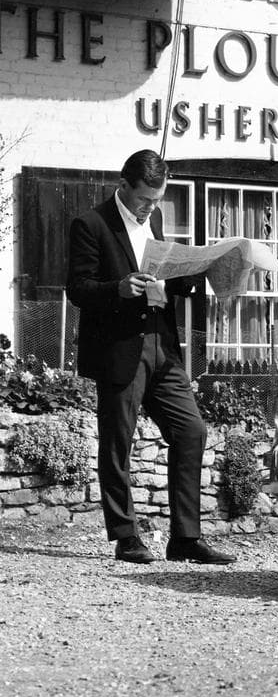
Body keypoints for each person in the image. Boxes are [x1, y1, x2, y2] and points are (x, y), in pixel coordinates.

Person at [66, 149, 236, 565]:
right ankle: (126, 536)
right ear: (123, 186)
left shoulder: (154, 221)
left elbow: (166, 281)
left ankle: (185, 539)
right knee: (118, 443)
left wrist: (193, 275)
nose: (150, 208)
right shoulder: (90, 224)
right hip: (119, 348)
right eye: (144, 199)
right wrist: (118, 289)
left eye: (157, 200)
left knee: (191, 431)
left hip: (164, 343)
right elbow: (78, 289)